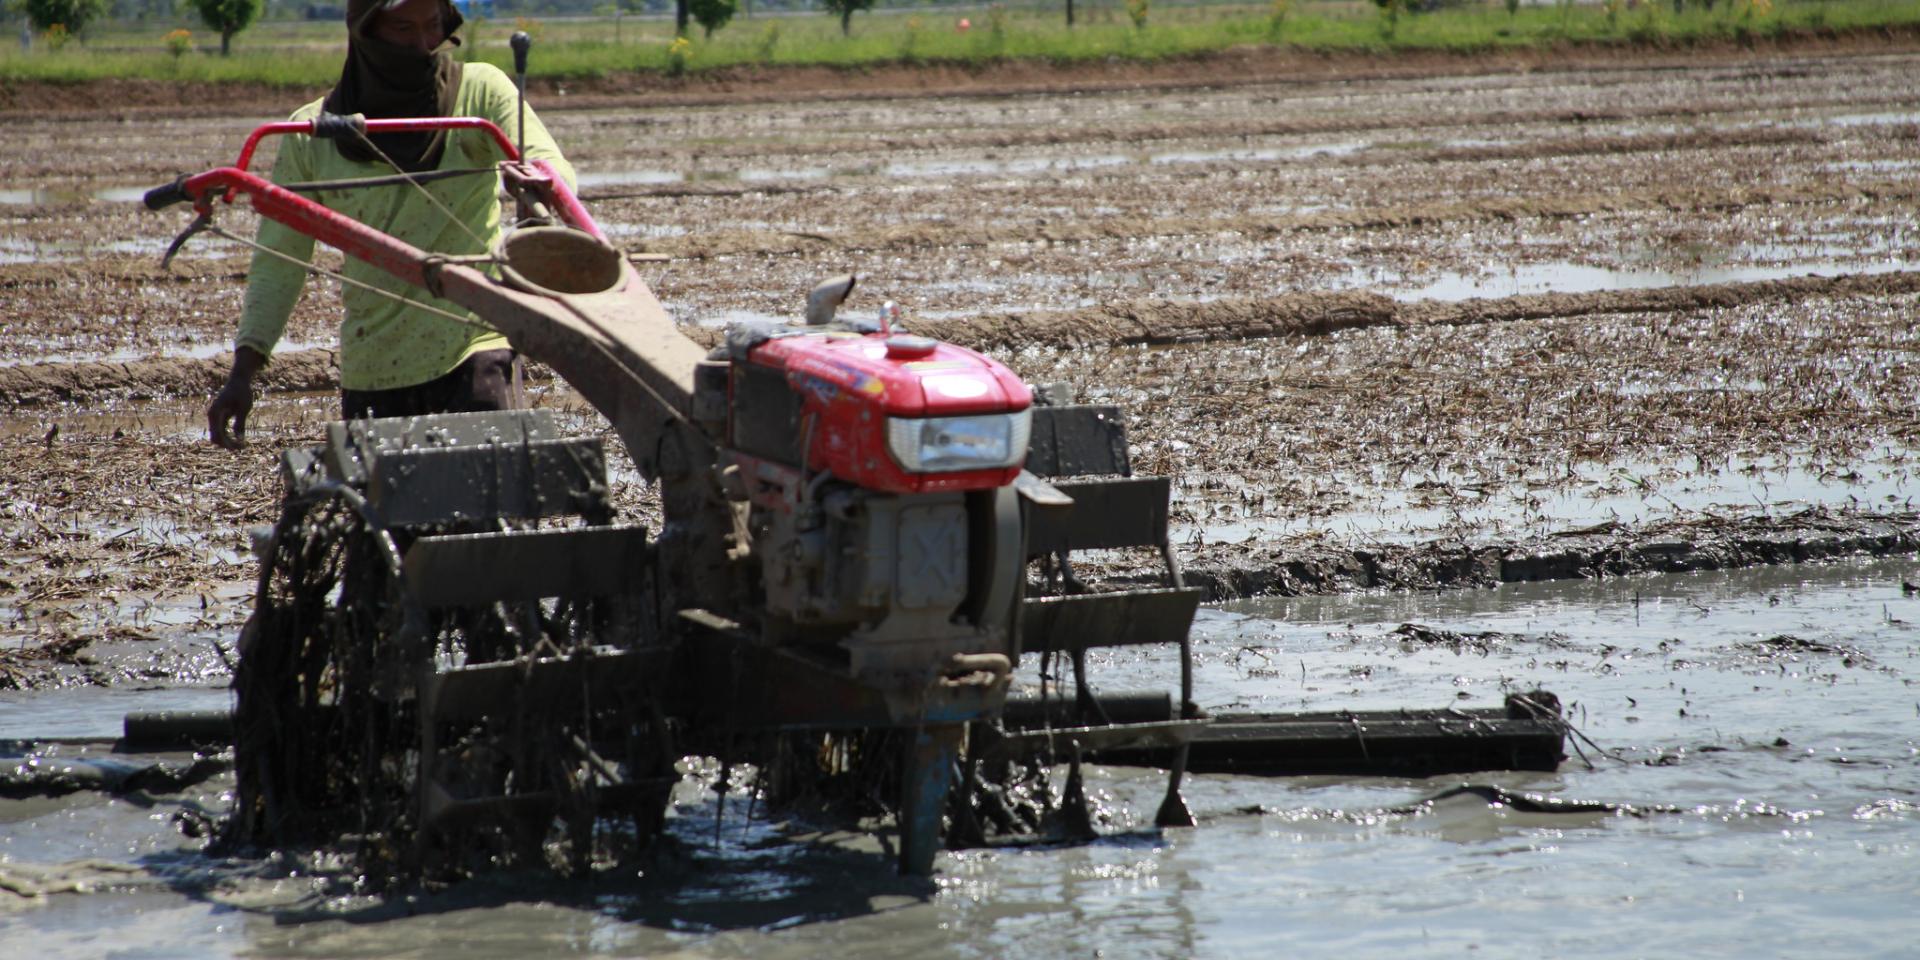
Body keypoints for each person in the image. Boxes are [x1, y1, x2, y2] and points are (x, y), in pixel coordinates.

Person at [207, 0, 575, 448]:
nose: (421, 45)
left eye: (432, 26)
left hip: (475, 351)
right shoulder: (311, 134)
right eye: (402, 28)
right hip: (374, 368)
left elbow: (550, 164)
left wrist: (537, 182)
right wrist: (244, 370)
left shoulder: (479, 92)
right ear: (365, 33)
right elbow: (280, 260)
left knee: (491, 505)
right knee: (387, 516)